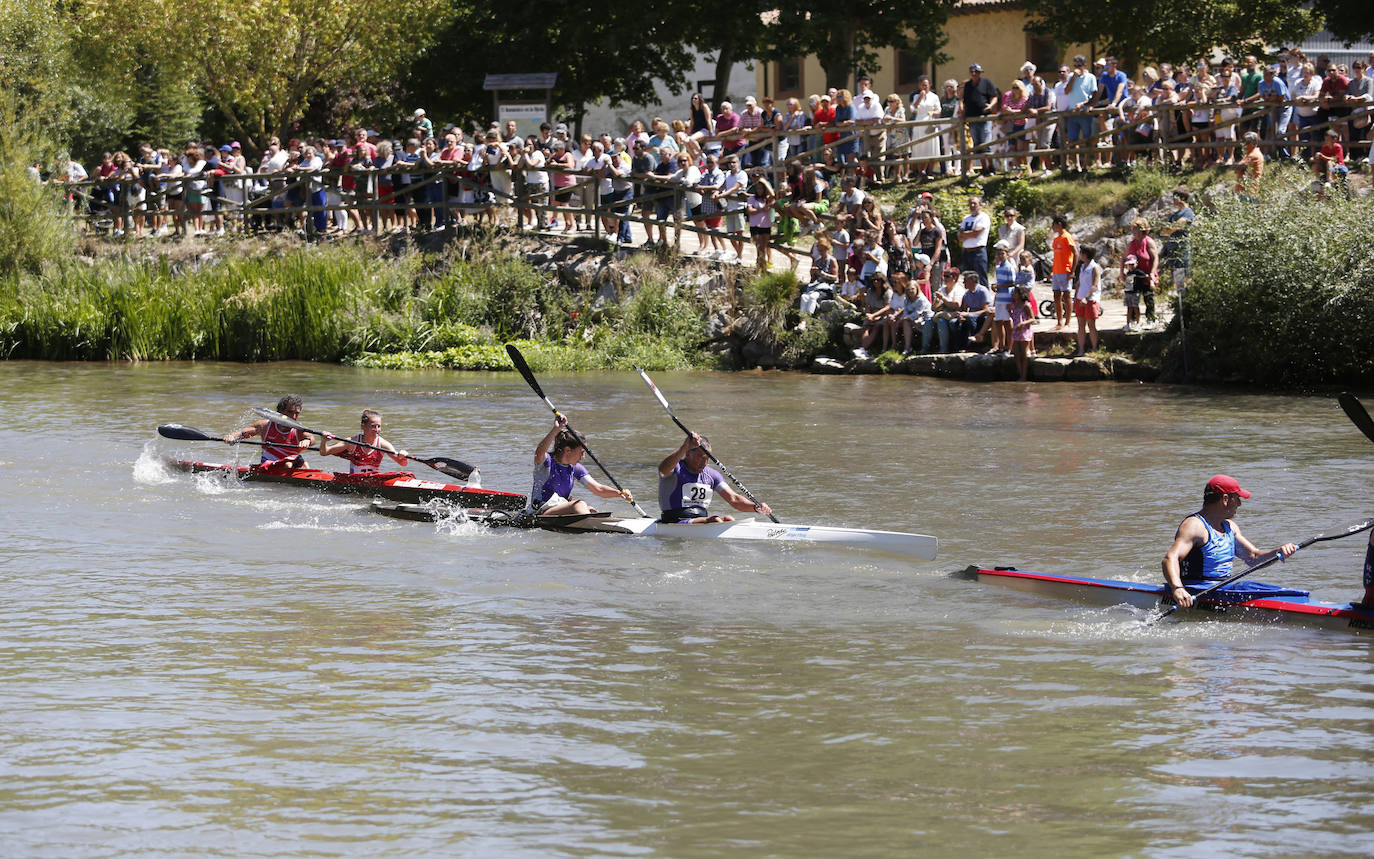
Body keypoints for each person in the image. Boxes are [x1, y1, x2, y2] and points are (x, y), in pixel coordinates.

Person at [1162, 475, 1298, 609]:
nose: (1239, 504)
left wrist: (1278, 552)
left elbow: (1253, 557)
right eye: (1237, 498)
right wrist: (1177, 588)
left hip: (1223, 589)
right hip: (1197, 590)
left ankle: (1298, 601)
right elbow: (1170, 558)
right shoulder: (1195, 526)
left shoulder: (1230, 527)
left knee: (1272, 591)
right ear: (1225, 499)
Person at [529, 416, 633, 516]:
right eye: (581, 452)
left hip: (558, 508)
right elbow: (539, 452)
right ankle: (591, 525)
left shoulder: (575, 468)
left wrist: (619, 493)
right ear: (568, 450)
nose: (583, 457)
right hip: (539, 511)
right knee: (579, 505)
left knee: (590, 509)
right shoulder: (546, 461)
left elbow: (598, 489)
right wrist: (556, 429)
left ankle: (592, 521)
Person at [657, 432, 771, 524]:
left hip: (701, 520)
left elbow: (734, 499)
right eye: (700, 457)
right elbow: (662, 469)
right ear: (687, 454)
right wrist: (684, 446)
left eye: (707, 458)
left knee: (729, 519)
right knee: (715, 520)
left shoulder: (712, 475)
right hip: (673, 521)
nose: (704, 462)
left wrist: (756, 507)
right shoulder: (675, 468)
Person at [222, 394, 313, 467]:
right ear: (280, 412)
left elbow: (312, 438)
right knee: (287, 465)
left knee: (289, 464)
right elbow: (243, 433)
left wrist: (307, 441)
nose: (293, 417)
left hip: (291, 465)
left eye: (297, 413)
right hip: (268, 466)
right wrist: (232, 437)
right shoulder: (265, 426)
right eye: (290, 412)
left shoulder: (300, 429)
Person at [319, 410, 409, 474]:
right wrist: (324, 441)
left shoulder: (383, 444)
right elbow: (324, 452)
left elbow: (402, 463)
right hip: (353, 481)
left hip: (374, 481)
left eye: (379, 426)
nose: (377, 430)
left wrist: (403, 456)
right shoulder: (351, 442)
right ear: (363, 426)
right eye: (373, 426)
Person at [1074, 246, 1101, 355]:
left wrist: (1087, 297)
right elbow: (1079, 282)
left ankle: (1094, 348)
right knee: (1081, 324)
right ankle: (1081, 349)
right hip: (1080, 298)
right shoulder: (1082, 267)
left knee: (1091, 324)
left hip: (1090, 299)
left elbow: (1094, 285)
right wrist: (1076, 296)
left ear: (1085, 254)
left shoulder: (1094, 267)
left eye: (1081, 253)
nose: (1080, 254)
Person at [1009, 285, 1034, 381]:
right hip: (1016, 330)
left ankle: (1024, 375)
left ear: (1021, 294)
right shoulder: (1015, 305)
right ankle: (1020, 373)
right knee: (1017, 354)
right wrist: (1009, 312)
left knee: (1024, 354)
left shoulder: (1026, 305)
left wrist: (1023, 323)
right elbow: (1015, 317)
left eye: (1015, 293)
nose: (1013, 295)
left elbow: (1032, 319)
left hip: (1024, 331)